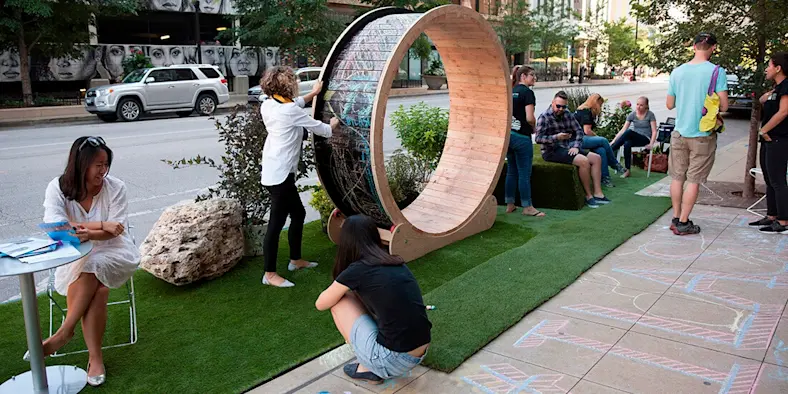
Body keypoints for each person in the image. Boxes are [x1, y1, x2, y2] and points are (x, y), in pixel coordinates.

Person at [34, 136, 140, 387]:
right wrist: (100, 225)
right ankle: (95, 357)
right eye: (98, 165)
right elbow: (57, 226)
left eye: (106, 165)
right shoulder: (57, 188)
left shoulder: (116, 188)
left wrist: (92, 232)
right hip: (73, 254)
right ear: (81, 164)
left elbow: (116, 231)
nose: (103, 171)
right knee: (99, 291)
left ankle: (65, 331)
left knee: (94, 264)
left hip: (115, 251)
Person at [315, 215, 431, 384]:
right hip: (422, 349)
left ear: (347, 242)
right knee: (357, 296)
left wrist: (342, 286)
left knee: (339, 301)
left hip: (393, 361)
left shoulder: (358, 270)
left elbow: (321, 304)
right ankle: (373, 357)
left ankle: (368, 366)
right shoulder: (395, 261)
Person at [259, 66, 339, 287]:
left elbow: (294, 105)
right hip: (281, 175)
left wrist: (313, 94)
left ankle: (295, 260)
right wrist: (333, 124)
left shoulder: (268, 104)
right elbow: (321, 129)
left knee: (299, 213)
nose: (295, 84)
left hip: (275, 170)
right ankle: (270, 274)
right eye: (293, 81)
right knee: (275, 225)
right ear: (287, 86)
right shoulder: (288, 111)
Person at [666, 32, 728, 235]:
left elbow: (669, 104)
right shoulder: (716, 72)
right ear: (713, 48)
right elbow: (725, 105)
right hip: (702, 134)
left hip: (679, 133)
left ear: (693, 47)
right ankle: (684, 222)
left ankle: (676, 217)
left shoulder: (677, 72)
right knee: (693, 180)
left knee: (677, 177)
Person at [536, 91, 610, 208]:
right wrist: (556, 137)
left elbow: (579, 131)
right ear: (553, 103)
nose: (561, 109)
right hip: (551, 151)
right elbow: (538, 138)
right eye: (558, 106)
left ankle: (598, 193)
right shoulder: (544, 117)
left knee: (596, 158)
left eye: (563, 106)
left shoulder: (567, 114)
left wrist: (576, 146)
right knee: (583, 161)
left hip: (567, 147)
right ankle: (588, 196)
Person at [749, 52, 788, 234]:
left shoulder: (787, 86)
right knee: (769, 178)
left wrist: (763, 130)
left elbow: (783, 112)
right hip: (768, 140)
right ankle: (772, 215)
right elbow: (764, 100)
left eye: (769, 65)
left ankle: (783, 220)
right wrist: (767, 96)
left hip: (779, 139)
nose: (766, 69)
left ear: (778, 68)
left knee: (778, 180)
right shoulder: (778, 88)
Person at [506, 65, 544, 216]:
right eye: (531, 75)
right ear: (523, 77)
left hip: (510, 136)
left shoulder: (511, 91)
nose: (534, 78)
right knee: (524, 173)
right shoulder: (527, 93)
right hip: (522, 138)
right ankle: (527, 207)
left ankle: (510, 204)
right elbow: (529, 117)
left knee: (511, 171)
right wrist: (534, 127)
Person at [575, 93, 626, 187]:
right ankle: (615, 164)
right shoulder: (586, 111)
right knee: (603, 140)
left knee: (601, 150)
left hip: (580, 138)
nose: (600, 107)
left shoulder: (582, 109)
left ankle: (605, 178)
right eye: (600, 104)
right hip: (578, 139)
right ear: (596, 103)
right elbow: (587, 131)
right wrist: (597, 137)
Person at [611, 96, 658, 178]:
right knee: (627, 143)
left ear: (646, 106)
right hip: (634, 138)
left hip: (645, 138)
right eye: (637, 104)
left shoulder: (650, 115)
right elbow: (623, 130)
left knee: (629, 132)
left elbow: (654, 131)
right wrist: (614, 140)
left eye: (641, 105)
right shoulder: (632, 115)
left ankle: (611, 150)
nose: (638, 107)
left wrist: (651, 144)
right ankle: (627, 170)